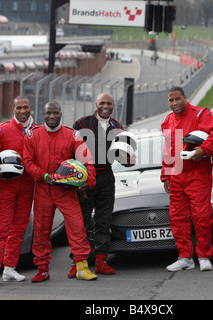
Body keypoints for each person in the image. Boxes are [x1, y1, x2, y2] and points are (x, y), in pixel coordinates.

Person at [23, 100, 97, 282]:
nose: (52, 116)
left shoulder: (73, 136)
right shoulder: (32, 135)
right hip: (43, 189)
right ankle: (42, 269)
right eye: (49, 113)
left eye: (56, 113)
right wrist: (43, 175)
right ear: (43, 114)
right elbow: (27, 162)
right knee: (41, 230)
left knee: (77, 227)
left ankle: (80, 267)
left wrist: (88, 183)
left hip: (66, 191)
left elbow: (87, 162)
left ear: (61, 114)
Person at [161, 86, 213, 272]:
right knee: (177, 218)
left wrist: (204, 150)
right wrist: (165, 175)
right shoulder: (167, 121)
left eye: (177, 99)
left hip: (197, 173)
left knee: (202, 216)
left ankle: (204, 256)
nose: (174, 103)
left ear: (185, 97)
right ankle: (185, 257)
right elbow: (168, 150)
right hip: (176, 174)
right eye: (171, 100)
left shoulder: (200, 115)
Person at [0, 96, 38, 286]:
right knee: (1, 228)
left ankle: (9, 268)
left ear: (30, 108)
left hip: (27, 185)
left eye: (26, 107)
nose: (23, 111)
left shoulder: (37, 130)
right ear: (13, 109)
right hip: (6, 186)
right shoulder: (1, 130)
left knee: (19, 228)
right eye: (19, 108)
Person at [72, 92, 125, 276]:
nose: (105, 106)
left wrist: (128, 158)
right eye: (102, 102)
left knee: (104, 220)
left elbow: (125, 157)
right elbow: (71, 151)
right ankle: (78, 262)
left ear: (113, 105)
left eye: (109, 103)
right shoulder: (81, 124)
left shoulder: (118, 127)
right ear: (96, 104)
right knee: (81, 221)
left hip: (106, 177)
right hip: (84, 178)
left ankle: (101, 260)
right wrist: (76, 181)